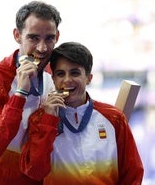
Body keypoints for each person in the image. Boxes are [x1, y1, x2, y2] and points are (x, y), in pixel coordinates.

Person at [20, 42, 144, 184]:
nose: (67, 80)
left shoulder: (114, 118)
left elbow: (132, 173)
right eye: (61, 74)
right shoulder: (40, 119)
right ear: (53, 78)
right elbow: (34, 171)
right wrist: (48, 120)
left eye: (75, 73)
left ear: (89, 78)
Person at [0, 1, 61, 185]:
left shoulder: (53, 76)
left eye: (49, 38)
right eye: (33, 38)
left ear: (57, 36)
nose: (42, 48)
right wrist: (19, 95)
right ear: (17, 35)